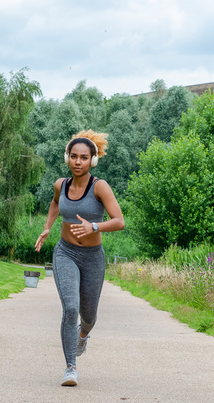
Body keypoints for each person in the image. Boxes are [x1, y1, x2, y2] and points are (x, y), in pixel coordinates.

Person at [34, 130, 125, 387]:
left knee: (88, 316)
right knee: (70, 307)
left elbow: (119, 221)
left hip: (93, 257)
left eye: (83, 157)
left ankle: (82, 335)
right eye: (73, 156)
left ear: (91, 161)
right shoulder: (60, 185)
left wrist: (94, 227)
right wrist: (48, 227)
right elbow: (55, 203)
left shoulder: (100, 186)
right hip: (66, 252)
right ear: (67, 158)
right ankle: (70, 367)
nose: (77, 162)